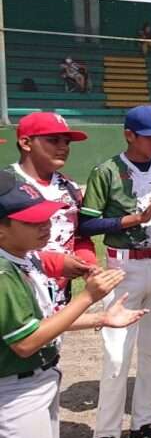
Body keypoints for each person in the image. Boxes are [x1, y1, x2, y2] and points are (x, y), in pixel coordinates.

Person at [0, 171, 147, 438]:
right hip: (14, 392)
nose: (45, 226)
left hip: (38, 380)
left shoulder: (23, 257)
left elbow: (43, 322)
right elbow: (25, 342)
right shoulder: (3, 274)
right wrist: (87, 298)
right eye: (31, 221)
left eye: (45, 218)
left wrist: (100, 318)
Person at [83, 105, 151, 438]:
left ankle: (142, 426)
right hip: (123, 266)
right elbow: (88, 223)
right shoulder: (107, 171)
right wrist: (133, 219)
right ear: (129, 135)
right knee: (117, 354)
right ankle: (106, 434)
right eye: (150, 137)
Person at [9, 112, 98, 311]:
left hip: (58, 293)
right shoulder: (6, 185)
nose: (63, 147)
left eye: (67, 142)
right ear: (26, 143)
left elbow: (80, 236)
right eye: (53, 140)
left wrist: (88, 264)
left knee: (54, 341)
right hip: (15, 289)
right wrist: (54, 263)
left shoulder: (69, 187)